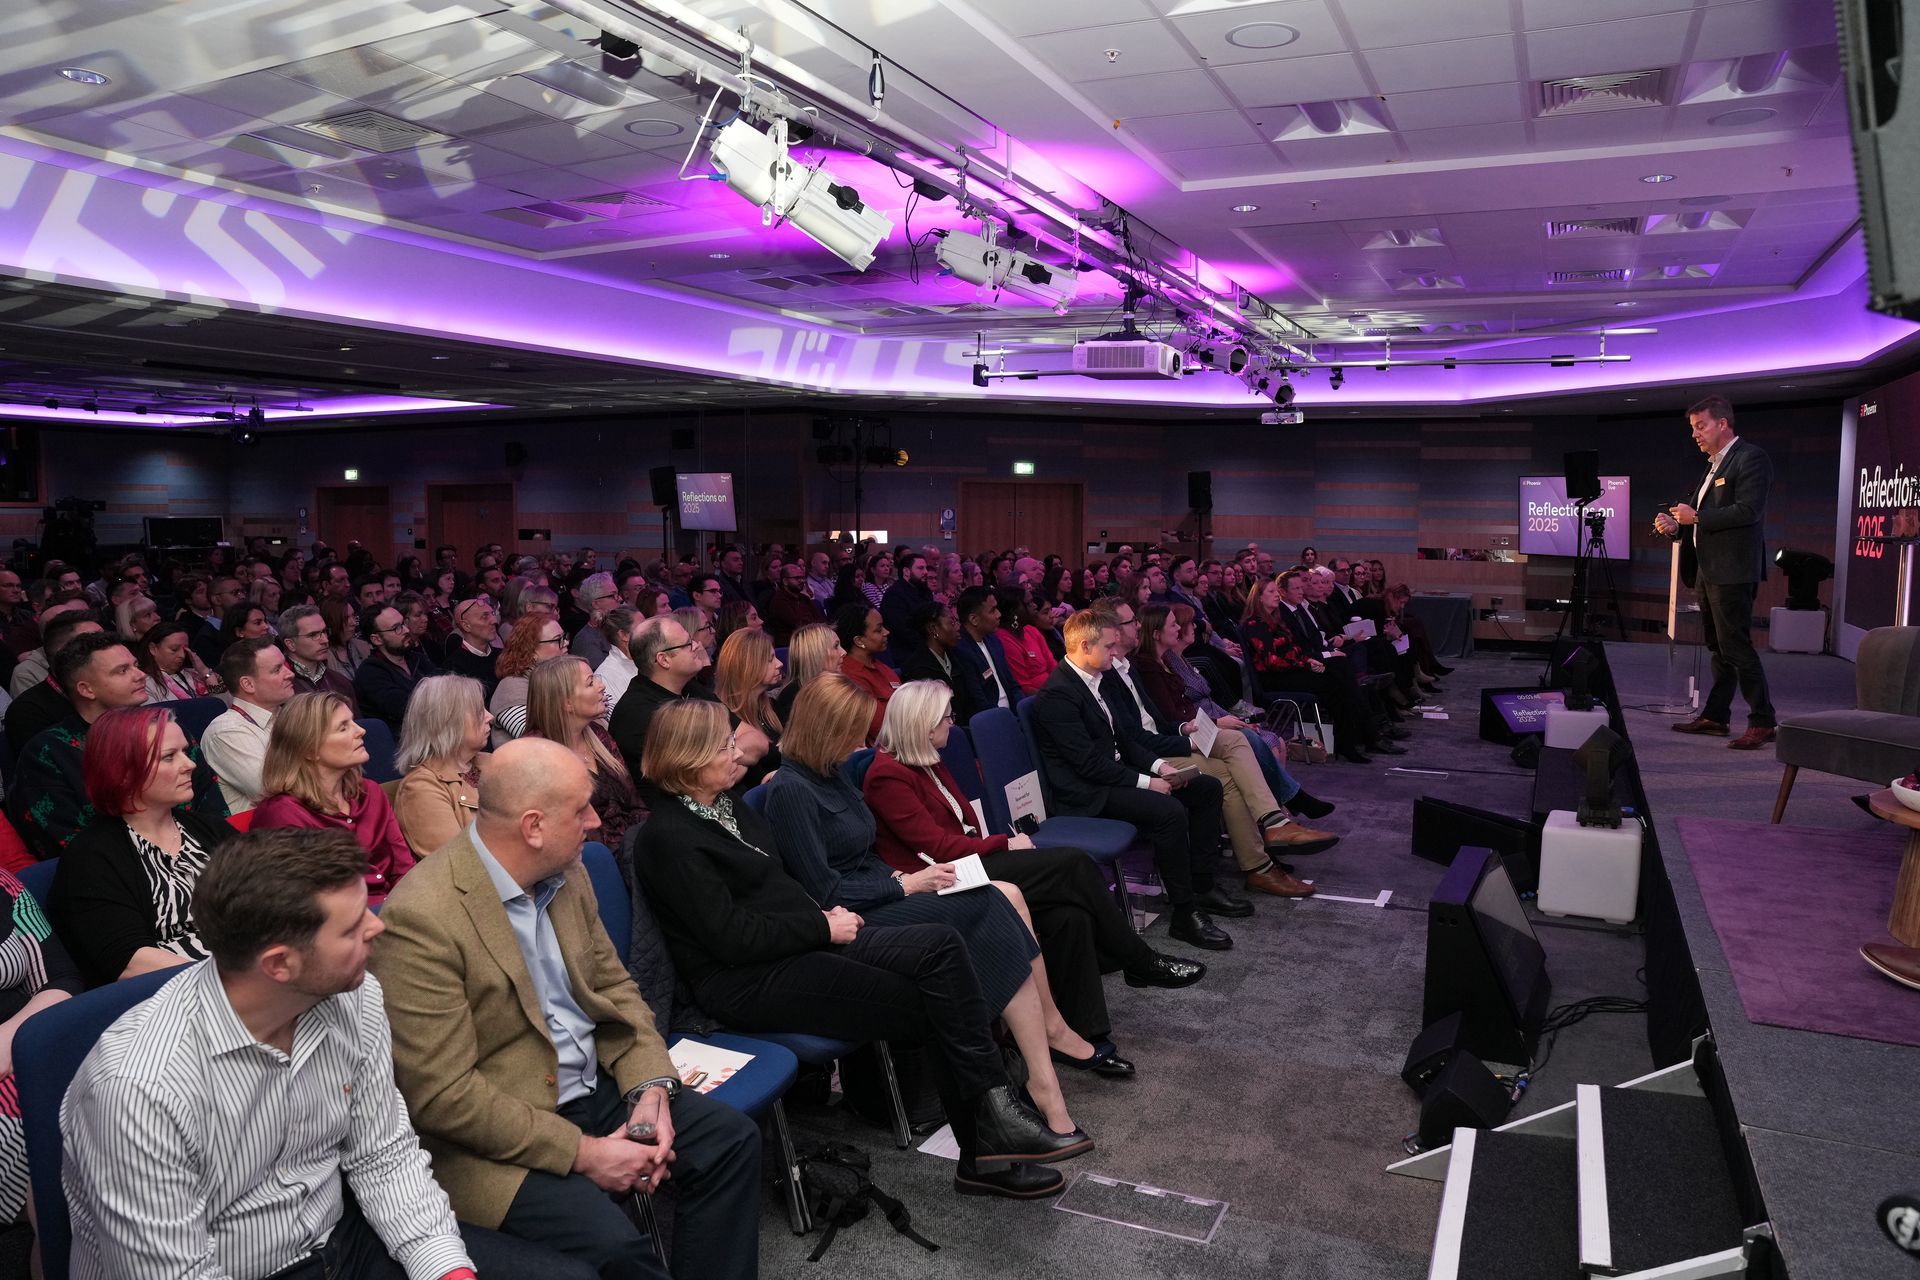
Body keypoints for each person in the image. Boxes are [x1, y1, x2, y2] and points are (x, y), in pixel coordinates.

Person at [633, 700, 1089, 1199]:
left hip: (797, 942)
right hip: (747, 979)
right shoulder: (667, 837)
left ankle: (995, 1123)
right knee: (936, 1000)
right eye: (725, 746)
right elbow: (731, 937)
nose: (738, 752)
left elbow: (774, 889)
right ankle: (988, 1144)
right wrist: (820, 926)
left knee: (941, 947)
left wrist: (821, 920)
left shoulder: (725, 804)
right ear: (690, 758)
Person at [371, 739, 763, 1279]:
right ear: (533, 827)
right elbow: (443, 1096)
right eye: (581, 810)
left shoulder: (565, 871)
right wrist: (583, 1153)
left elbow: (615, 988)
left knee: (731, 1142)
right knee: (616, 1250)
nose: (596, 822)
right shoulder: (422, 918)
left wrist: (650, 1089)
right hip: (499, 1132)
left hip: (593, 1085)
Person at [60, 828, 501, 1280]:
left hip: (340, 1237)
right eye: (352, 928)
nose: (377, 926)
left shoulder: (353, 993)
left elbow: (381, 1155)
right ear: (280, 964)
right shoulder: (137, 1090)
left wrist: (444, 1268)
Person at [866, 681, 1205, 1047]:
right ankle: (1138, 959)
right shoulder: (888, 776)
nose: (952, 723)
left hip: (967, 861)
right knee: (1074, 864)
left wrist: (996, 845)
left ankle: (1087, 1033)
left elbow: (959, 829)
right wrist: (1004, 844)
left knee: (1068, 914)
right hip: (944, 877)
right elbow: (938, 847)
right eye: (946, 718)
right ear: (922, 724)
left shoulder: (926, 760)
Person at [1029, 610, 1238, 951]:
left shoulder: (1095, 679)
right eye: (1109, 646)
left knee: (1206, 788)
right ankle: (1184, 913)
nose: (1116, 652)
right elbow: (1088, 766)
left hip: (1109, 777)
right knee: (1168, 810)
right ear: (1085, 646)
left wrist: (1160, 767)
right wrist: (1148, 782)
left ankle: (1201, 885)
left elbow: (1125, 741)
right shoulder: (1058, 695)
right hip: (1085, 794)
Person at [49, 706, 226, 985]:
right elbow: (130, 961)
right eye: (169, 756)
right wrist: (234, 979)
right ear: (123, 773)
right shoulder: (91, 858)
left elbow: (270, 894)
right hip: (176, 993)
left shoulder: (208, 829)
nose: (190, 764)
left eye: (184, 751)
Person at [12, 632, 227, 858]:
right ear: (86, 689)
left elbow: (212, 806)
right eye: (122, 671)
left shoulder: (167, 727)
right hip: (118, 871)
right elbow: (71, 847)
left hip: (205, 856)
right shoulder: (49, 753)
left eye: (136, 666)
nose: (141, 675)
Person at [1656, 393, 1778, 749]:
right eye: (1693, 428)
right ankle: (1716, 716)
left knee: (1735, 647)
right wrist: (1676, 526)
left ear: (1722, 424)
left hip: (1732, 570)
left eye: (1701, 426)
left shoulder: (1751, 458)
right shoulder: (1714, 466)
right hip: (1708, 571)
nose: (1695, 434)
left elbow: (1748, 511)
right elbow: (1699, 521)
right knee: (1718, 648)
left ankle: (1763, 720)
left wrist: (1696, 517)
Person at [252, 692, 415, 904]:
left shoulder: (370, 792)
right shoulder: (281, 814)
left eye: (353, 721)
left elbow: (405, 870)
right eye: (343, 727)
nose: (361, 730)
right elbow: (302, 903)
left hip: (397, 910)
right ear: (309, 749)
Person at [0, 867, 81, 1223]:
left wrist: (12, 1038)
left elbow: (60, 978)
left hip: (33, 1036)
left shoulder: (4, 884)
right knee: (67, 1165)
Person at [525, 655, 645, 873]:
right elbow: (560, 832)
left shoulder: (598, 735)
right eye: (590, 682)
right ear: (567, 702)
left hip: (632, 850)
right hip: (587, 864)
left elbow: (634, 803)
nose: (601, 686)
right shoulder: (536, 754)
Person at [392, 674, 492, 858]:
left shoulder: (492, 762)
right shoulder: (421, 788)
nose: (490, 717)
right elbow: (460, 863)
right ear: (447, 721)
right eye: (479, 711)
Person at [199, 636, 299, 815]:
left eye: (285, 665)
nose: (290, 673)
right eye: (277, 669)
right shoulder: (226, 732)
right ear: (248, 684)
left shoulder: (289, 716)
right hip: (267, 829)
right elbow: (275, 790)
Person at [713, 627, 785, 790]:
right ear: (747, 666)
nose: (780, 664)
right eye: (770, 659)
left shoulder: (771, 707)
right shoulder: (723, 721)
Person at [354, 604, 439, 734]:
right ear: (377, 639)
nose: (406, 630)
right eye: (396, 628)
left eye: (403, 623)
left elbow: (445, 685)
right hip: (405, 741)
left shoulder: (417, 658)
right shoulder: (370, 673)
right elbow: (407, 708)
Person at [490, 606, 565, 747]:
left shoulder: (554, 679)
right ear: (531, 650)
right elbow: (539, 742)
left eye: (564, 637)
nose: (565, 643)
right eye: (557, 640)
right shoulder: (511, 688)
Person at [951, 586, 1021, 722]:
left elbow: (1013, 685)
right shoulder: (961, 651)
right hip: (992, 721)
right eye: (992, 610)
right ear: (974, 619)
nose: (999, 614)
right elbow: (978, 701)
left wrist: (1021, 713)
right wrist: (1008, 720)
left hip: (1012, 716)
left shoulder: (994, 641)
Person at [833, 603, 899, 741]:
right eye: (878, 630)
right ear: (859, 640)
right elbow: (881, 728)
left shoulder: (881, 666)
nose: (886, 632)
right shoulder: (849, 677)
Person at [279, 602, 359, 710]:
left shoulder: (341, 682)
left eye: (324, 632)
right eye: (313, 635)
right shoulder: (280, 686)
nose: (325, 640)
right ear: (291, 644)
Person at [771, 621, 839, 726]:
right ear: (816, 653)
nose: (844, 652)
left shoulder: (838, 685)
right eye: (836, 646)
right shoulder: (793, 696)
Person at [994, 588, 1059, 697]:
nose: (1034, 606)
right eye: (1029, 603)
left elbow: (1052, 665)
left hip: (1054, 688)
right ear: (1013, 612)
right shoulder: (1004, 641)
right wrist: (1054, 696)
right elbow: (1024, 688)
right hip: (1036, 699)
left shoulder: (1031, 630)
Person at [442, 595, 503, 698]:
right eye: (485, 616)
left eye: (493, 614)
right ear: (466, 626)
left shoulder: (503, 656)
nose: (494, 621)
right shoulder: (454, 669)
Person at [593, 606, 641, 712]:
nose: (650, 632)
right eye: (642, 627)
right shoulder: (604, 677)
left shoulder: (646, 660)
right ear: (624, 635)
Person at [569, 572, 620, 668]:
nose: (620, 599)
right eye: (612, 596)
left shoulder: (618, 627)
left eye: (618, 594)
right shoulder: (585, 640)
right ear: (596, 604)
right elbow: (602, 673)